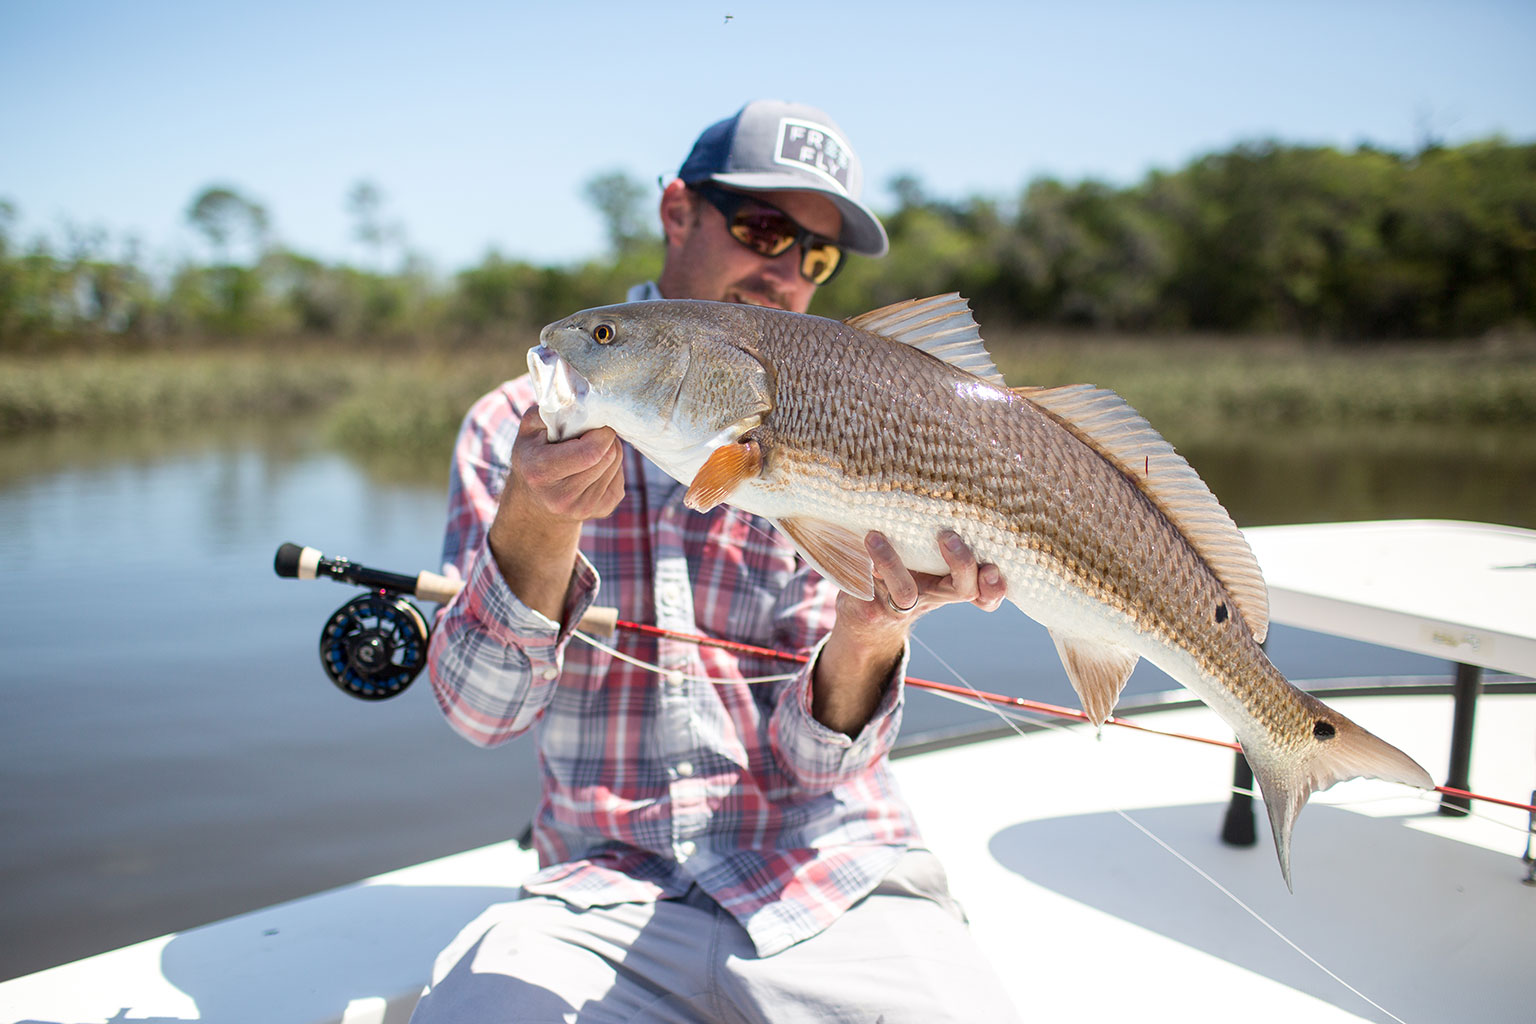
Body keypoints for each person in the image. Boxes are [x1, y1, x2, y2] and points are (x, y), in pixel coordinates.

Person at [411, 100, 1021, 1023]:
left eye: (815, 255)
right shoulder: (515, 425)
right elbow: (481, 714)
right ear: (677, 213)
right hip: (600, 893)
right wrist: (537, 517)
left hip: (828, 868)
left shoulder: (845, 418)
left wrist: (871, 628)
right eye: (764, 227)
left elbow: (820, 766)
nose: (784, 270)